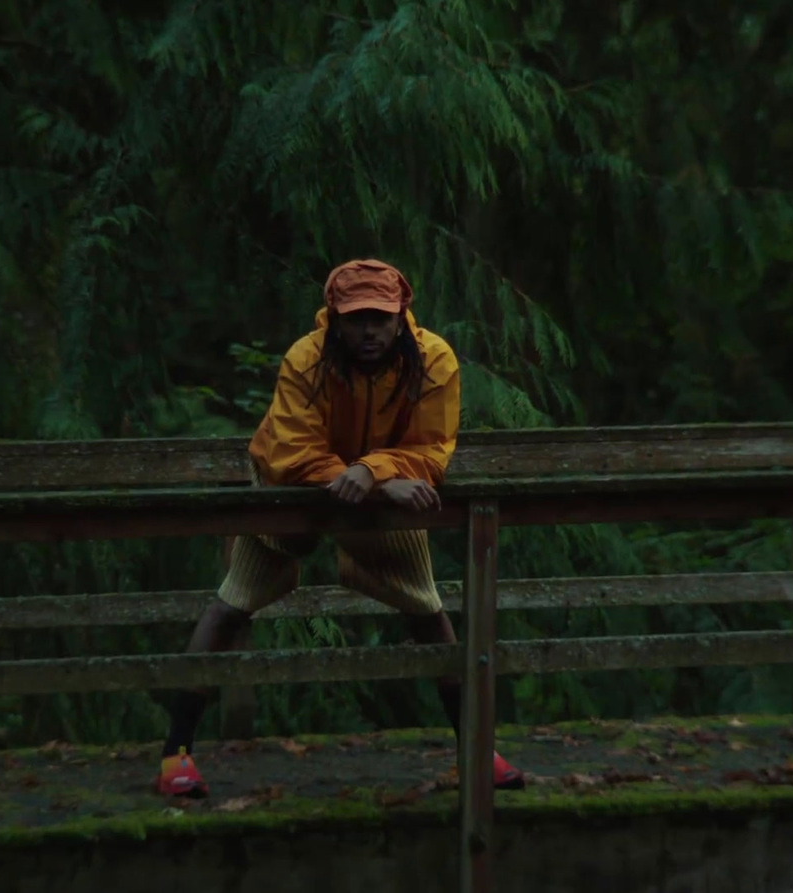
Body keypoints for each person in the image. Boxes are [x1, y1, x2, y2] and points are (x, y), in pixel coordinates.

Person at [155, 258, 526, 797]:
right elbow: (290, 451)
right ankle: (175, 757)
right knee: (232, 603)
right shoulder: (306, 359)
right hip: (296, 490)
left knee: (426, 608)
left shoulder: (433, 359)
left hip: (379, 488)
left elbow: (431, 450)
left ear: (402, 315)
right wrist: (361, 477)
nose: (369, 330)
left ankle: (477, 750)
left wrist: (371, 472)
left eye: (380, 317)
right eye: (356, 319)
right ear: (334, 317)